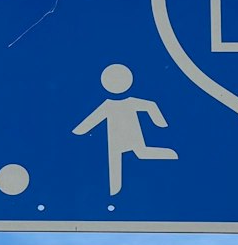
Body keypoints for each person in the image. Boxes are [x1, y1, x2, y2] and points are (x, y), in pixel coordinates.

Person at [72, 63, 177, 196]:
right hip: (115, 139)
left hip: (130, 135)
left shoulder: (119, 104)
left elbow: (151, 106)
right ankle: (114, 191)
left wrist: (160, 123)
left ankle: (170, 155)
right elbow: (91, 121)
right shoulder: (110, 105)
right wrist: (80, 130)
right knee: (118, 160)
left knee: (139, 153)